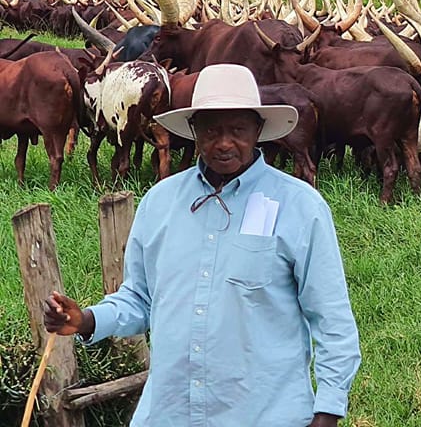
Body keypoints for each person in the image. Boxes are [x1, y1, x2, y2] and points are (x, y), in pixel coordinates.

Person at [42, 64, 361, 426]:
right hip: (170, 412)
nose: (224, 143)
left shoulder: (300, 206)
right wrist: (85, 319)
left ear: (258, 130)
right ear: (193, 131)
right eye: (211, 130)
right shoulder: (160, 202)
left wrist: (329, 410)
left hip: (265, 414)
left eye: (238, 130)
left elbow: (333, 320)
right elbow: (140, 298)